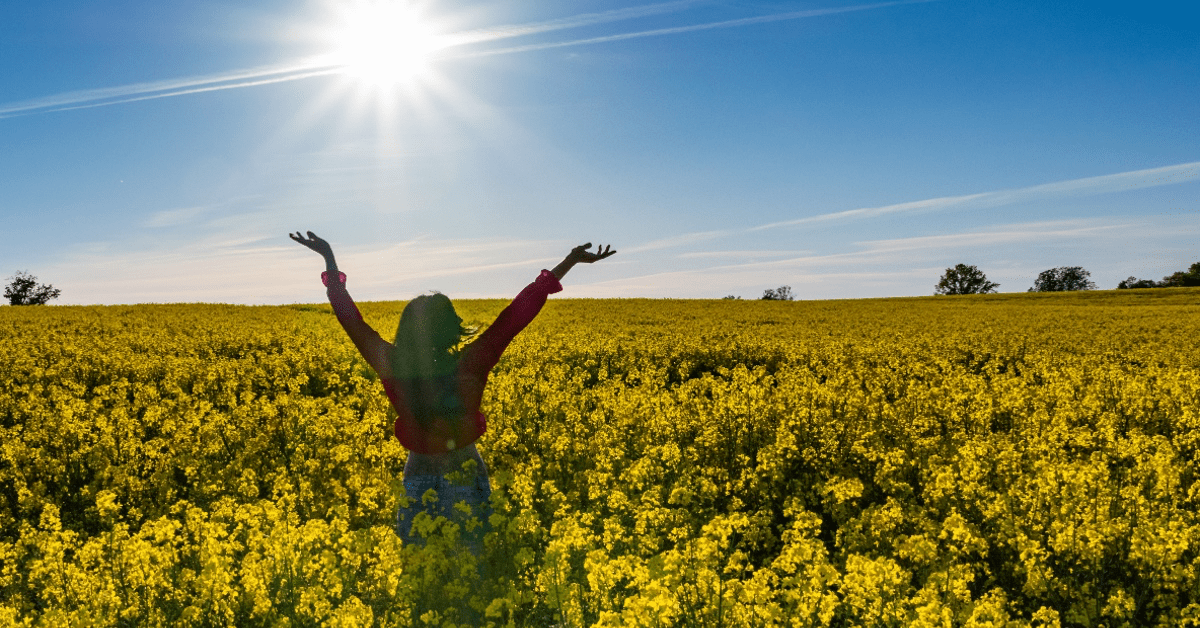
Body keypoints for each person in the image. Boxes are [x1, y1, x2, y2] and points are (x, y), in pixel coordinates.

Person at [290, 231, 615, 553]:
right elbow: (516, 315)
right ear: (450, 327)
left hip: (418, 473)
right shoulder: (471, 363)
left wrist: (329, 258)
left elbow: (350, 318)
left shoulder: (392, 364)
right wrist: (568, 262)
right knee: (472, 563)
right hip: (465, 471)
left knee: (419, 569)